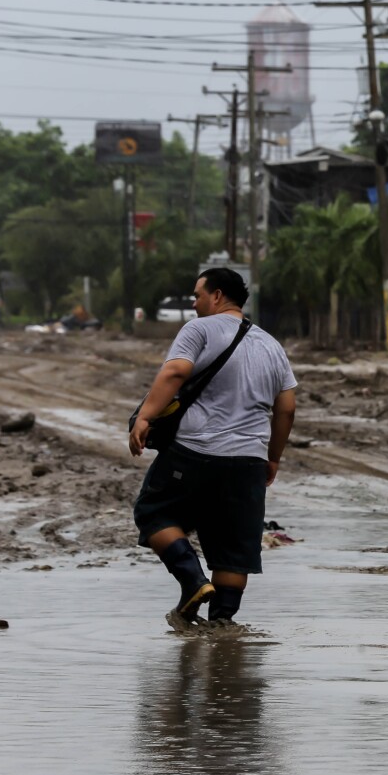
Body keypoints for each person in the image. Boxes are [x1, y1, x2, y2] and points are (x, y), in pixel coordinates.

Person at [130, 268, 298, 626]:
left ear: (217, 296)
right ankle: (223, 625)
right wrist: (272, 458)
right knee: (233, 550)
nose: (193, 303)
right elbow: (287, 408)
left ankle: (192, 580)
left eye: (197, 295)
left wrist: (145, 417)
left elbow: (175, 372)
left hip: (194, 451)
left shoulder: (198, 330)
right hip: (248, 462)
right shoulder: (272, 345)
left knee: (153, 512)